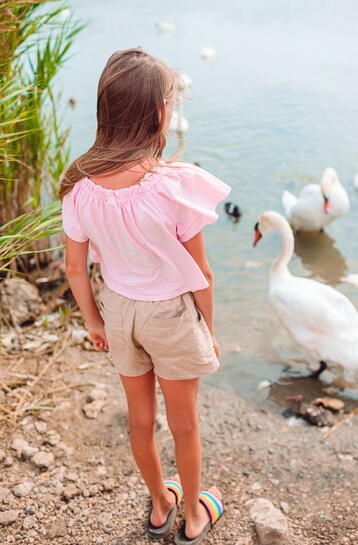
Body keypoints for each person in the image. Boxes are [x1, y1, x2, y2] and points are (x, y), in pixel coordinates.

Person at [58, 47, 230, 544]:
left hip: (118, 313)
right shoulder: (174, 186)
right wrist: (209, 332)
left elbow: (75, 267)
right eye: (170, 102)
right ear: (158, 112)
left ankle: (160, 506)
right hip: (171, 318)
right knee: (185, 425)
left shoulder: (79, 186)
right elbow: (202, 273)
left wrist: (93, 322)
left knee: (139, 419)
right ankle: (194, 518)